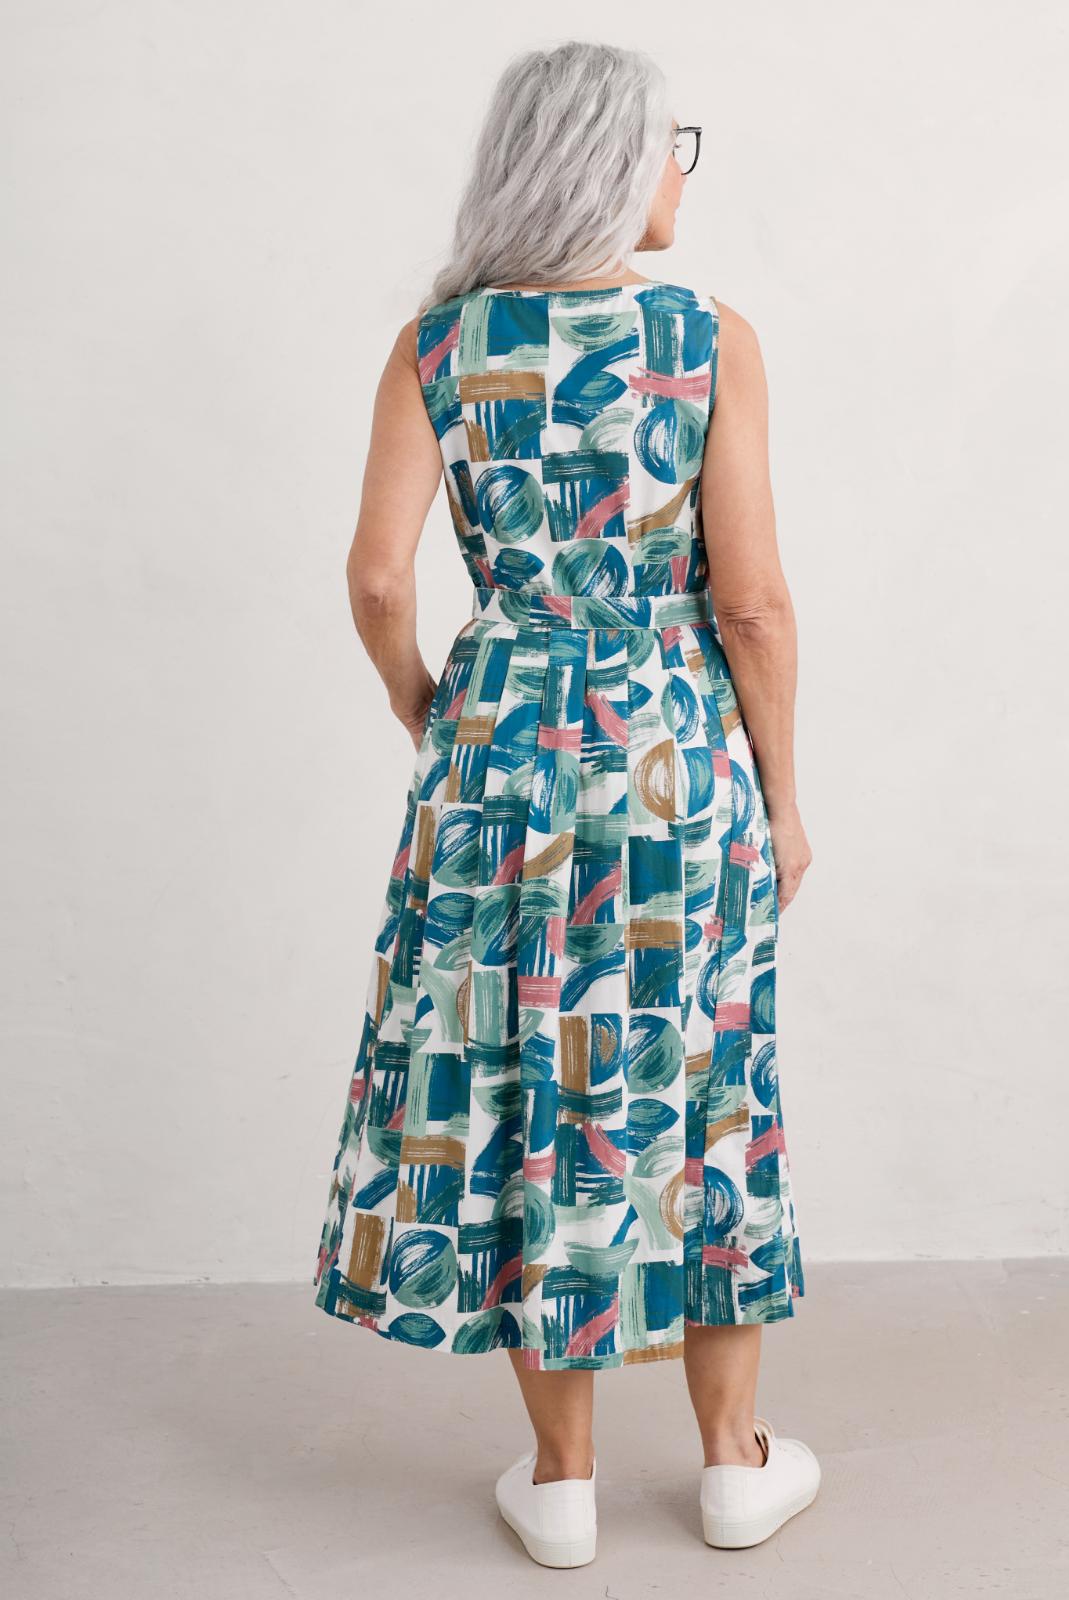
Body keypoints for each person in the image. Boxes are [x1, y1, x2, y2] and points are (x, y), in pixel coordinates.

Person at [312, 39, 817, 1567]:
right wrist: (783, 796)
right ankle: (733, 1466)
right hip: (676, 759)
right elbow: (754, 607)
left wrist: (420, 700)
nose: (681, 173)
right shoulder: (709, 341)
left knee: (534, 1079)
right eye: (673, 143)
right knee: (704, 1075)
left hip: (503, 757)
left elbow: (380, 577)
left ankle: (566, 1482)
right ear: (607, 160)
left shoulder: (439, 348)